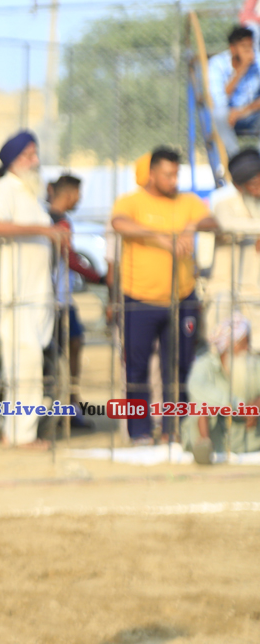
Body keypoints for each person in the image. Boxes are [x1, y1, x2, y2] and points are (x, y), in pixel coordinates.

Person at [111, 147, 218, 445]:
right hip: (139, 298)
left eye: (176, 174)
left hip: (182, 298)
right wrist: (160, 238)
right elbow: (119, 223)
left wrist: (192, 226)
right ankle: (140, 432)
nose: (173, 180)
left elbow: (212, 222)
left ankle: (175, 430)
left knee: (180, 368)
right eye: (168, 174)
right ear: (152, 174)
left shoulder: (188, 202)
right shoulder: (131, 201)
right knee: (137, 368)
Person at [0, 131, 68, 448]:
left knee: (30, 365)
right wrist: (44, 230)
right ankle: (20, 436)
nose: (36, 160)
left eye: (35, 154)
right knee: (23, 364)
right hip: (14, 294)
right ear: (15, 161)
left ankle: (19, 433)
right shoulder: (5, 188)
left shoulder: (30, 192)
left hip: (36, 294)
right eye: (29, 155)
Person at [46, 174, 104, 428]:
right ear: (69, 194)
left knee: (62, 349)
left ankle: (67, 404)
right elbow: (69, 257)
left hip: (53, 297)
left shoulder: (46, 216)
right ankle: (69, 405)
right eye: (78, 194)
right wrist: (98, 277)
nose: (79, 200)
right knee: (72, 346)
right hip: (57, 299)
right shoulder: (59, 222)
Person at [182, 314, 260, 464]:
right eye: (243, 343)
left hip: (247, 436)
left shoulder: (253, 364)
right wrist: (238, 406)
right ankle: (204, 444)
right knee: (201, 405)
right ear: (229, 345)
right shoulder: (205, 365)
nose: (247, 348)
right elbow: (196, 387)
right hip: (215, 433)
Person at [205, 149, 260, 348]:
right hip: (225, 290)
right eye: (254, 185)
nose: (258, 190)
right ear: (238, 186)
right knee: (223, 349)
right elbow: (228, 225)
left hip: (255, 292)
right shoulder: (224, 205)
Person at [207, 26, 260, 157]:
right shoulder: (217, 64)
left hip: (251, 113)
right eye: (244, 46)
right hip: (228, 117)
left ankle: (257, 161)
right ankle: (236, 158)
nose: (249, 51)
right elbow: (219, 100)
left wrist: (242, 111)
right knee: (219, 114)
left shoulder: (258, 62)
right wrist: (242, 69)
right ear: (233, 48)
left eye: (250, 46)